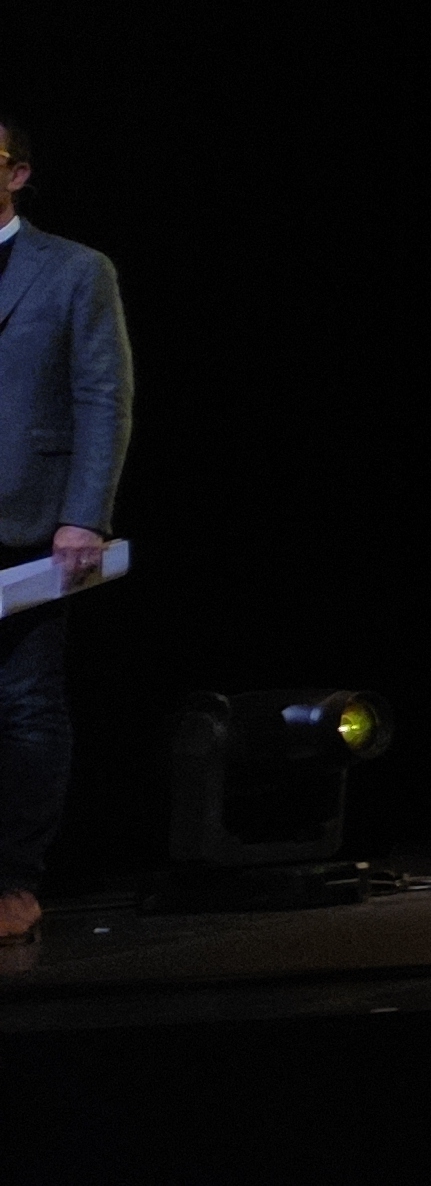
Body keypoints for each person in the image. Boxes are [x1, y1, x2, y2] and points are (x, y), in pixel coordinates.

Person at [0, 112, 135, 945]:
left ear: (16, 174)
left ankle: (14, 879)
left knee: (24, 707)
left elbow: (103, 396)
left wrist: (84, 516)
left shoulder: (75, 270)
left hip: (26, 523)